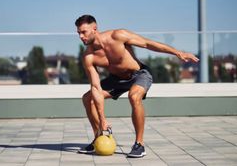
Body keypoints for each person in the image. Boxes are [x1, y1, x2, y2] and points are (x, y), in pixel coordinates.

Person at [76, 15, 199, 158]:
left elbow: (148, 43)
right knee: (87, 98)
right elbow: (96, 87)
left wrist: (178, 52)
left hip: (139, 74)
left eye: (83, 32)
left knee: (134, 96)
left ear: (95, 29)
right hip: (116, 79)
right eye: (78, 32)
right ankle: (98, 137)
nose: (80, 36)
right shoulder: (88, 57)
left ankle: (139, 144)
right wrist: (103, 120)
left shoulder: (118, 35)